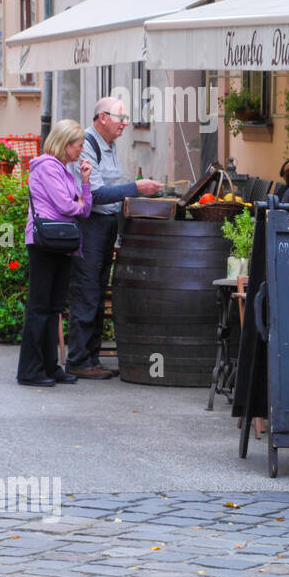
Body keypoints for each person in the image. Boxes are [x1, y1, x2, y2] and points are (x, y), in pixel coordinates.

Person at [67, 97, 163, 379]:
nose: (126, 122)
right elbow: (94, 194)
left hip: (105, 224)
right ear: (102, 118)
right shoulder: (87, 143)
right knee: (87, 290)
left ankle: (91, 358)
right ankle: (78, 360)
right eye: (120, 117)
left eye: (126, 117)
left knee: (96, 290)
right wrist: (135, 187)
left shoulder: (108, 145)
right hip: (90, 225)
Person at [18, 121, 94, 387]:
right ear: (65, 144)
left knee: (54, 308)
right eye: (79, 144)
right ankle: (30, 370)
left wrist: (85, 183)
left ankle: (50, 367)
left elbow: (83, 209)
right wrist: (78, 202)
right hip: (44, 242)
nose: (82, 150)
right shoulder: (48, 167)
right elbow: (65, 205)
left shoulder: (65, 171)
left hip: (62, 242)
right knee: (39, 307)